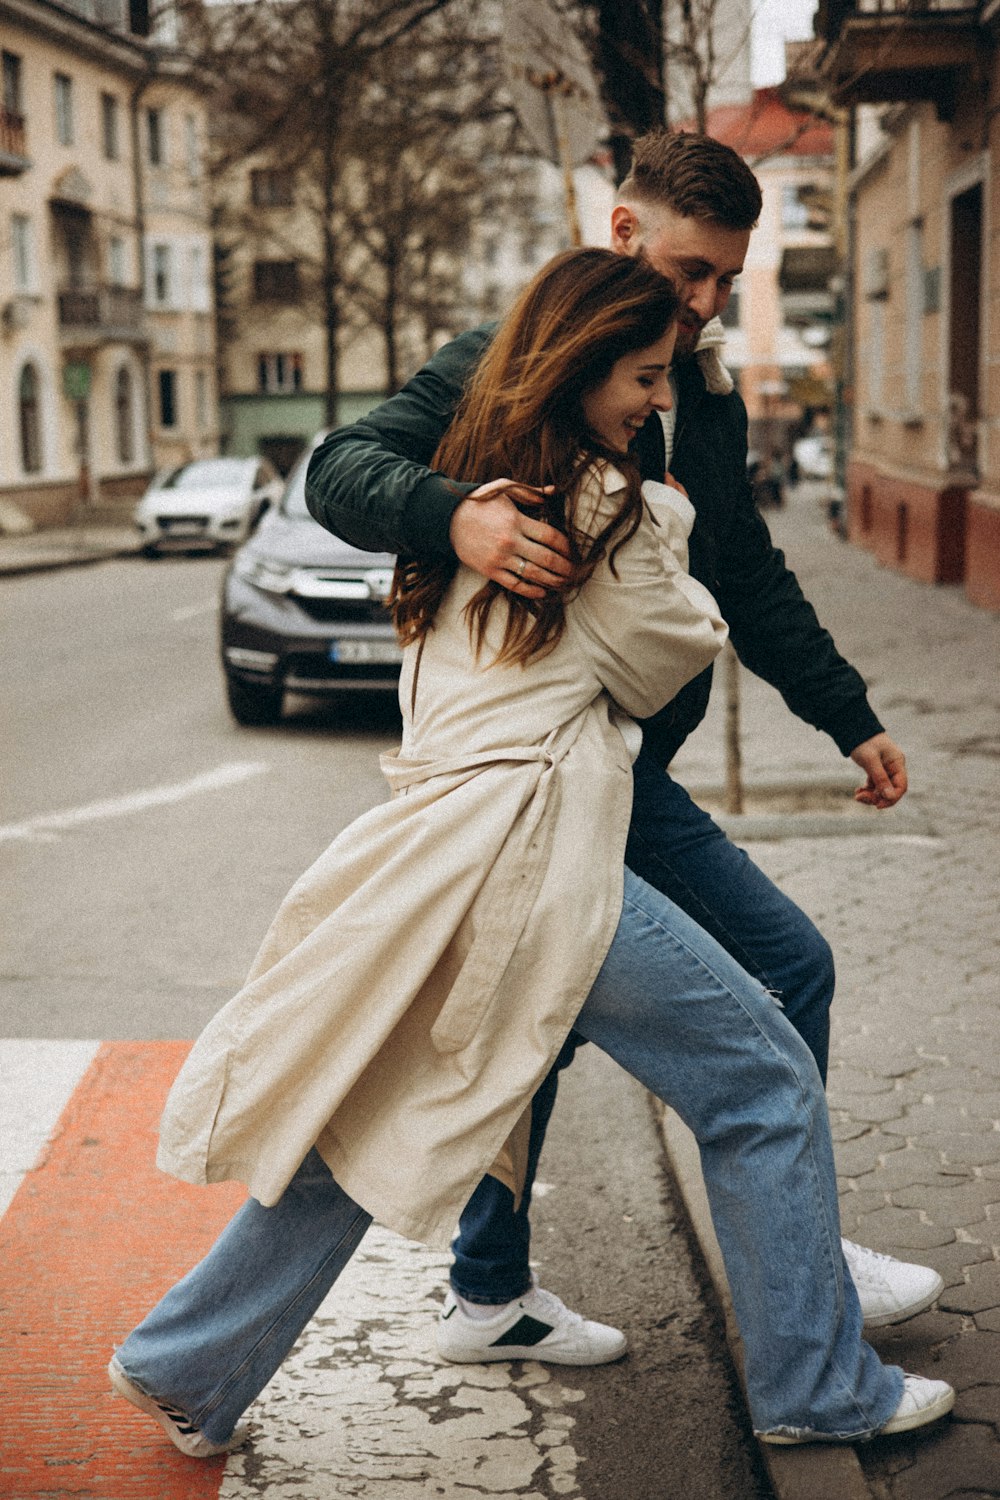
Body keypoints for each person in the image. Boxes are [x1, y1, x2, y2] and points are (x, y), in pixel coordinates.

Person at [108, 250, 952, 1457]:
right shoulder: (599, 505)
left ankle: (186, 1361)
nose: (659, 402)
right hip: (537, 851)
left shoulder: (470, 501)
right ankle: (818, 1386)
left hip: (439, 850)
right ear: (580, 368)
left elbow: (363, 481)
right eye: (644, 378)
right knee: (762, 1081)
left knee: (372, 1106)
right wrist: (665, 514)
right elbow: (673, 644)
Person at [305, 129, 944, 1368]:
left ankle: (529, 1286)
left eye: (724, 284)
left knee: (671, 995)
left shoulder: (699, 393)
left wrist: (850, 715)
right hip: (539, 775)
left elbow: (743, 570)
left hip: (628, 775)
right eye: (690, 271)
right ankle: (773, 1264)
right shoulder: (508, 366)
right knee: (744, 977)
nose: (703, 307)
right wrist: (459, 522)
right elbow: (340, 469)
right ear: (622, 235)